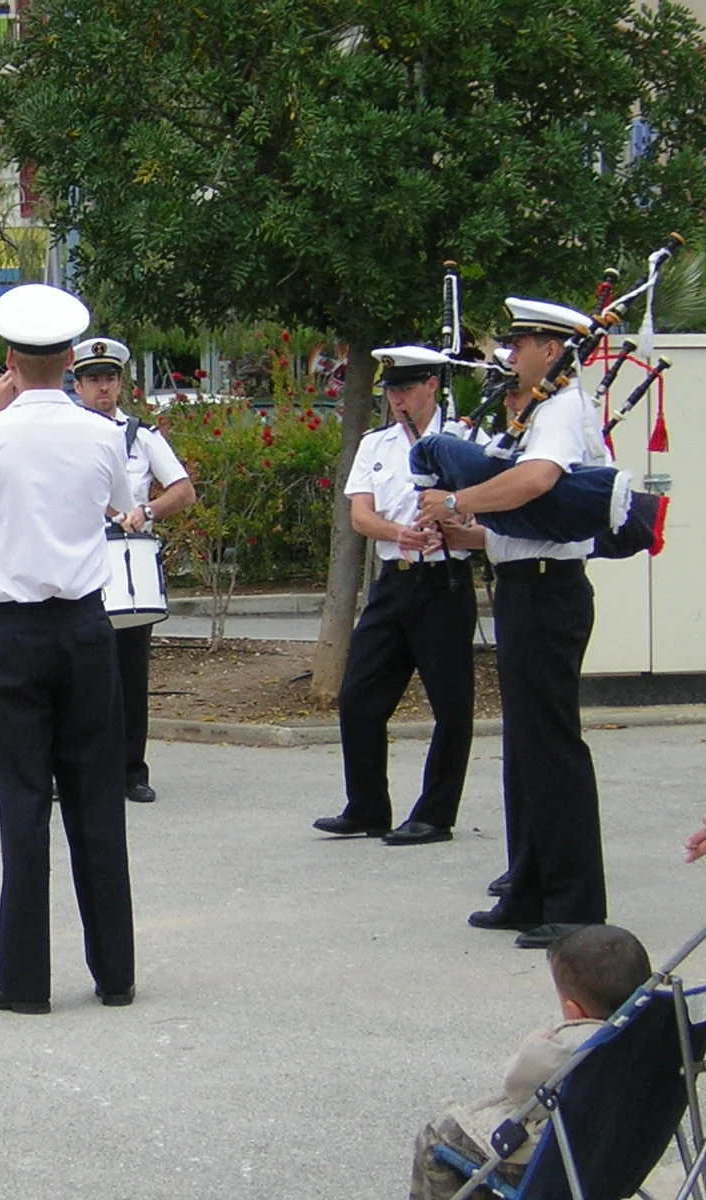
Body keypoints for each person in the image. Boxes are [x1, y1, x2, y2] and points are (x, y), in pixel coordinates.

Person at [0, 283, 137, 1015]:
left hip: (13, 633)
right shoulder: (103, 432)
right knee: (95, 802)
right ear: (73, 361)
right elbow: (117, 499)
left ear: (11, 361)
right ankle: (115, 972)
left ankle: (24, 981)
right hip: (86, 627)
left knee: (23, 805)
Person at [417, 299, 609, 950]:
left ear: (551, 351)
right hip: (526, 586)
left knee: (551, 746)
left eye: (520, 343)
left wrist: (458, 499)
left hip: (550, 592)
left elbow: (535, 482)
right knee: (526, 749)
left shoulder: (560, 410)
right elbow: (514, 520)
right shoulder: (530, 414)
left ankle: (576, 903)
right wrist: (464, 529)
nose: (509, 354)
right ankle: (529, 889)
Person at [312, 346, 476, 846]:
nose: (398, 401)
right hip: (395, 577)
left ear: (432, 386)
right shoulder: (376, 444)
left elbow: (482, 513)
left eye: (407, 389)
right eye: (392, 391)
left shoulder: (465, 439)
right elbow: (361, 516)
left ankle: (435, 813)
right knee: (359, 696)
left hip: (444, 581)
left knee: (450, 704)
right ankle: (367, 805)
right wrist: (398, 532)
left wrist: (451, 523)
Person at [407, 924, 651, 1199]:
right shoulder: (660, 1030)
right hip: (625, 1154)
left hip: (562, 1161)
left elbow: (518, 1088)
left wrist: (534, 1041)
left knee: (435, 1138)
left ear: (573, 1009)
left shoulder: (569, 1046)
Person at [71, 336, 196, 804]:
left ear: (120, 383)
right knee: (77, 672)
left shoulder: (141, 436)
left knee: (129, 670)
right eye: (94, 380)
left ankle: (130, 771)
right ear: (78, 385)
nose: (103, 388)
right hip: (77, 562)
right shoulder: (65, 431)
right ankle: (79, 771)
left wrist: (147, 510)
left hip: (125, 563)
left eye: (110, 379)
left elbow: (183, 489)